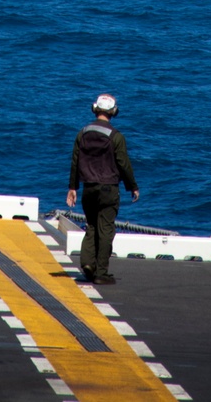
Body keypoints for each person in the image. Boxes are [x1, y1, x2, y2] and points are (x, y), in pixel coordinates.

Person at [66, 93, 139, 285]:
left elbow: (75, 162)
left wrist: (72, 188)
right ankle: (101, 272)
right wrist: (132, 187)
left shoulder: (82, 133)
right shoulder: (116, 137)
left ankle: (87, 263)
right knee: (106, 228)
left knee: (91, 225)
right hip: (108, 189)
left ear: (95, 109)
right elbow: (123, 164)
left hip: (88, 188)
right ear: (114, 112)